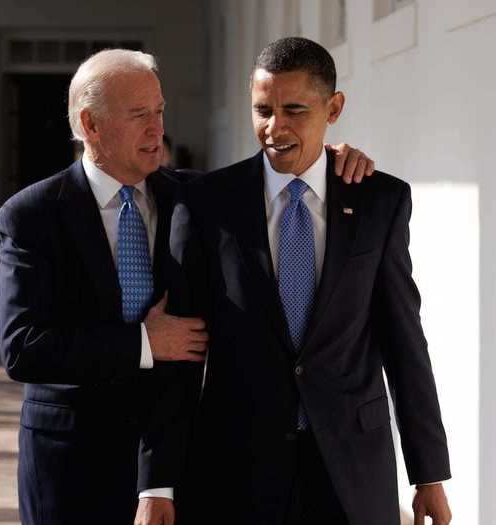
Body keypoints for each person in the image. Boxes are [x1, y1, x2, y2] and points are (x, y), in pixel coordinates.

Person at [0, 48, 373, 525]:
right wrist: (145, 343)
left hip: (178, 462)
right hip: (71, 464)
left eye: (159, 112)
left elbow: (282, 166)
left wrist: (331, 158)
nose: (157, 129)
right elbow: (22, 348)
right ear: (90, 125)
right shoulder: (31, 215)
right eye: (139, 116)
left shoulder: (196, 198)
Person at [172, 37, 451, 525]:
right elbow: (182, 356)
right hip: (237, 468)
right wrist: (159, 480)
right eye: (263, 110)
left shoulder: (378, 202)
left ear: (334, 107)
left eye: (295, 110)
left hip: (351, 468)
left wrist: (428, 474)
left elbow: (403, 341)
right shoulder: (207, 201)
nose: (274, 128)